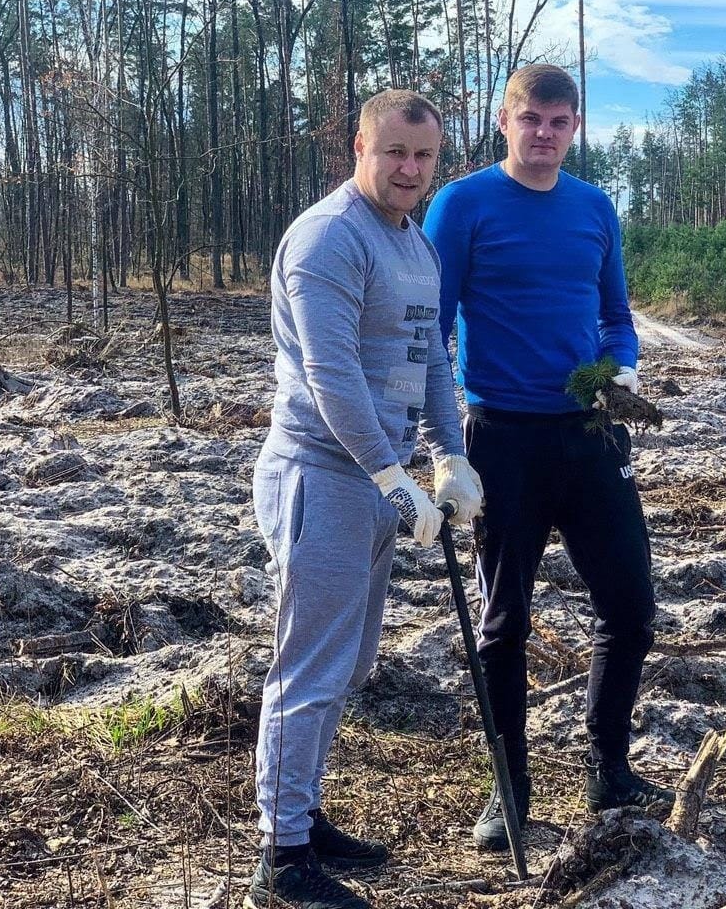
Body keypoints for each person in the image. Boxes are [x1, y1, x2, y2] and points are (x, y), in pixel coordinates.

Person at [423, 64, 670, 852]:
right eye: (531, 119)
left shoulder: (594, 207)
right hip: (503, 439)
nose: (544, 134)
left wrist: (621, 372)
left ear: (575, 128)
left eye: (559, 122)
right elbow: (431, 327)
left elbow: (616, 315)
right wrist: (440, 444)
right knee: (504, 624)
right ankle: (510, 795)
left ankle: (609, 770)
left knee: (629, 608)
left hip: (591, 434)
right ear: (505, 121)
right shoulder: (461, 204)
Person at [247, 89, 483, 909]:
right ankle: (281, 860)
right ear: (360, 148)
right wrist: (390, 475)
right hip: (321, 476)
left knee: (348, 663)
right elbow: (331, 374)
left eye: (423, 156)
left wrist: (450, 455)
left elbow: (431, 359)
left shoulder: (416, 244)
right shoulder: (328, 238)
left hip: (381, 479)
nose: (410, 170)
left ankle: (303, 817)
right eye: (394, 153)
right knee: (308, 669)